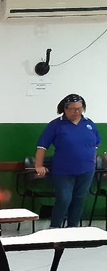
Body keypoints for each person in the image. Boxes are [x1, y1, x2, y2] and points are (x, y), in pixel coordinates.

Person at [35, 94, 101, 228]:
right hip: (63, 170)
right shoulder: (56, 125)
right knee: (64, 199)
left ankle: (73, 228)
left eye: (79, 109)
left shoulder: (89, 124)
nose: (76, 112)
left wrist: (92, 158)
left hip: (87, 170)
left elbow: (96, 144)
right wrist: (38, 165)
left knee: (79, 199)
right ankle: (55, 227)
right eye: (73, 109)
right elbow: (42, 146)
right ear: (65, 109)